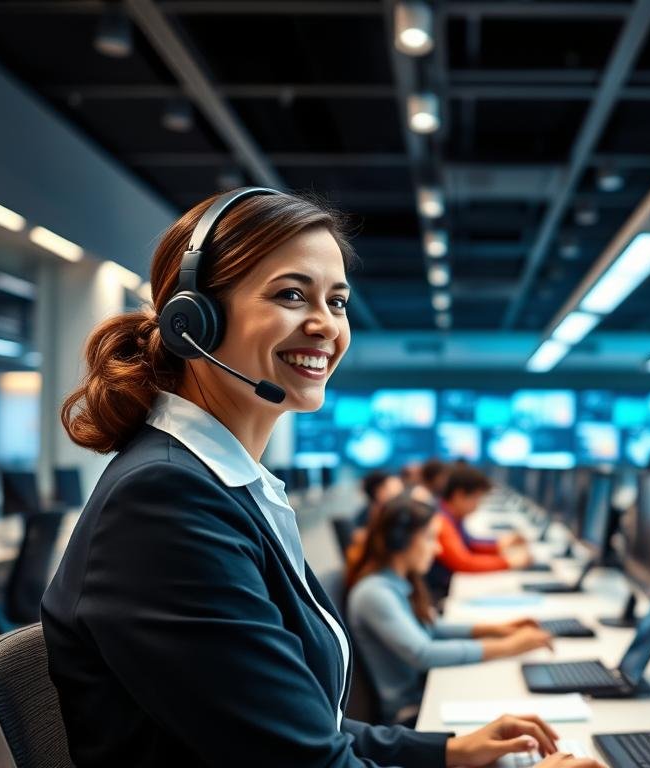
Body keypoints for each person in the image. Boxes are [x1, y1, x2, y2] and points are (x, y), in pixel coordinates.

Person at [40, 188, 598, 768]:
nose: (325, 325)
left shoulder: (224, 487)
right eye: (290, 295)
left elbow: (299, 725)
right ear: (193, 321)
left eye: (337, 301)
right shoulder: (164, 502)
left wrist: (451, 751)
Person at [345, 494, 553, 724]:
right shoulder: (375, 593)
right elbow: (423, 653)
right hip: (411, 713)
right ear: (400, 541)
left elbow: (432, 627)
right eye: (430, 538)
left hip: (425, 691)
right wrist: (508, 646)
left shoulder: (398, 581)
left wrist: (498, 629)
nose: (438, 549)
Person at [427, 465, 531, 599]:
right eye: (476, 498)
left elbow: (469, 543)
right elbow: (462, 562)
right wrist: (509, 562)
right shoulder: (441, 521)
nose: (478, 505)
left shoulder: (451, 515)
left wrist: (501, 543)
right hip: (436, 596)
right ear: (459, 495)